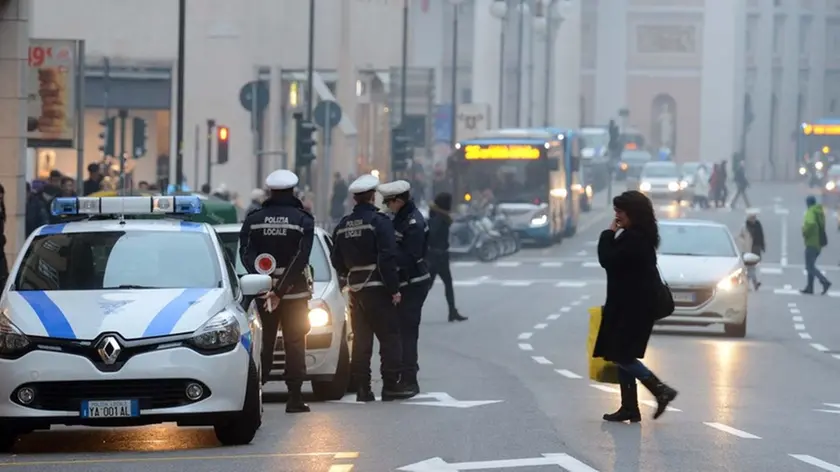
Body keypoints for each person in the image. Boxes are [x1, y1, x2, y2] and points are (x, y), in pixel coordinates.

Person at [330, 174, 416, 402]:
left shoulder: (342, 225)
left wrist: (349, 273)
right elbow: (387, 257)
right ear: (372, 196)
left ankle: (362, 388)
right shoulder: (380, 222)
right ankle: (390, 385)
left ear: (355, 198)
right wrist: (394, 288)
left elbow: (336, 260)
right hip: (378, 287)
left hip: (355, 289)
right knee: (389, 337)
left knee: (361, 340)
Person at [596, 190, 678, 422]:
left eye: (620, 212)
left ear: (634, 213)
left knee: (621, 355)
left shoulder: (635, 239)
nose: (617, 216)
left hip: (635, 308)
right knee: (624, 353)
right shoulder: (638, 235)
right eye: (615, 211)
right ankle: (629, 407)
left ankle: (660, 389)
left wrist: (608, 233)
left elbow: (607, 260)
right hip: (630, 305)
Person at [239, 169, 314, 413]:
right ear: (293, 191)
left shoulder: (254, 218)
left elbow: (245, 253)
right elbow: (301, 258)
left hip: (263, 292)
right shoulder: (303, 219)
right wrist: (280, 290)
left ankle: (256, 394)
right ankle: (294, 398)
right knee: (294, 342)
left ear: (270, 191)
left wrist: (265, 281)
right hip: (294, 294)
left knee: (263, 342)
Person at [378, 179, 432, 395]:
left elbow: (410, 257)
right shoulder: (400, 218)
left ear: (399, 201)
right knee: (400, 331)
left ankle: (410, 379)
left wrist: (387, 257)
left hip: (413, 283)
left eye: (389, 202)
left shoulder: (413, 223)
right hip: (406, 282)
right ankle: (405, 373)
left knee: (407, 333)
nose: (387, 206)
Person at [427, 192, 467, 322]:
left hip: (438, 255)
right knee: (430, 286)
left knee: (434, 285)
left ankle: (452, 311)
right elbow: (432, 234)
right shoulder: (439, 217)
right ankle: (409, 310)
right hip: (437, 256)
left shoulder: (439, 215)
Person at [801, 195, 832, 294]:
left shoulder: (811, 212)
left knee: (809, 267)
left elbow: (810, 224)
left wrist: (805, 232)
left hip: (811, 242)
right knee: (811, 265)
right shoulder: (819, 212)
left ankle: (824, 281)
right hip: (818, 242)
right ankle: (810, 287)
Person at [737, 208, 765, 290]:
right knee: (750, 268)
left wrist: (762, 246)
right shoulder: (745, 226)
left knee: (752, 268)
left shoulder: (758, 224)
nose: (754, 219)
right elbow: (740, 236)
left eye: (754, 217)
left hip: (756, 248)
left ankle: (751, 283)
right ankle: (754, 283)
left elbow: (761, 236)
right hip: (748, 249)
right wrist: (744, 243)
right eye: (752, 217)